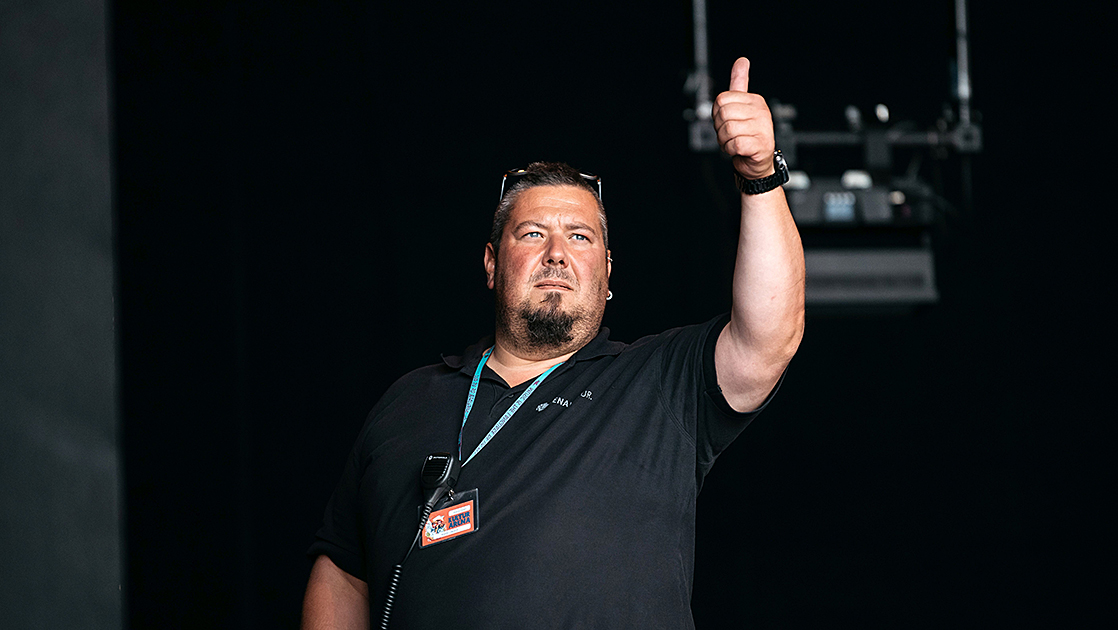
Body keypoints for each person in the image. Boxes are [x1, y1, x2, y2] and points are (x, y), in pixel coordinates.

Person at [301, 57, 805, 629]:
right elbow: (343, 568)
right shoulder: (407, 401)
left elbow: (770, 336)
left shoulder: (659, 383)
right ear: (492, 264)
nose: (557, 253)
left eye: (581, 236)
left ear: (609, 273)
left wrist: (759, 176)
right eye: (533, 233)